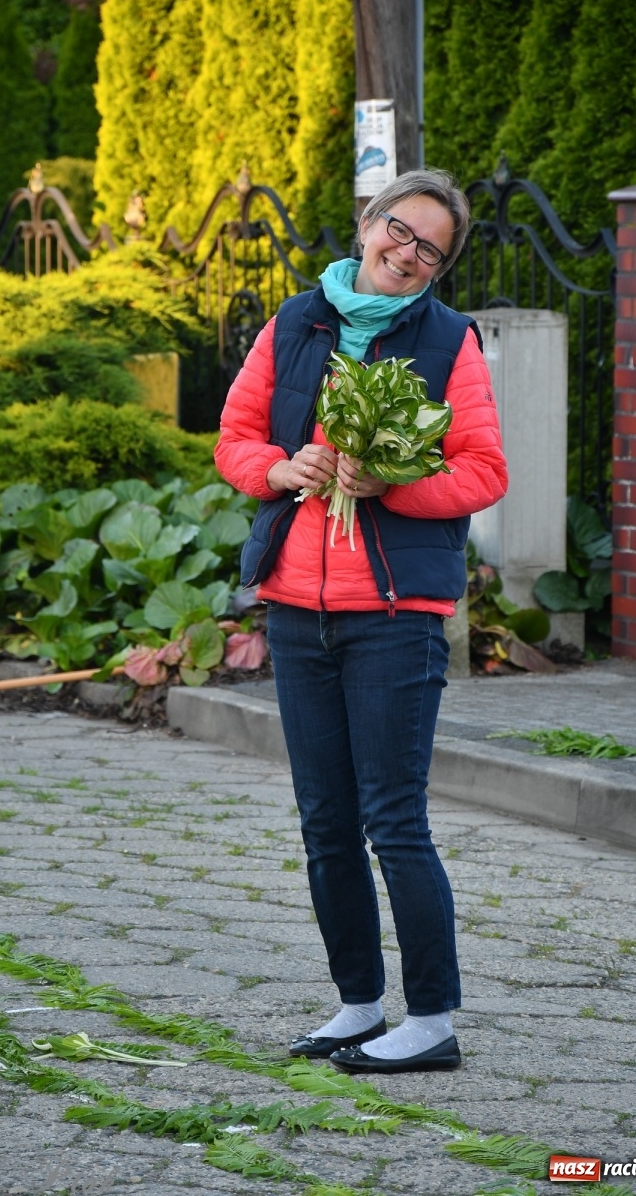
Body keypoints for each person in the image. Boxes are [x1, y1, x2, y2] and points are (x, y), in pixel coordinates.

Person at [214, 169, 507, 1074]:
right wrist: (281, 469)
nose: (407, 252)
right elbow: (235, 440)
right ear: (367, 224)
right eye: (398, 229)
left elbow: (484, 471)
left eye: (430, 248)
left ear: (440, 267)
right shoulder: (293, 322)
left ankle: (431, 1022)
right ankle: (357, 1006)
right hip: (298, 611)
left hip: (394, 616)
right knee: (326, 823)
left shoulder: (448, 339)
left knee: (394, 821)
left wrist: (395, 485)